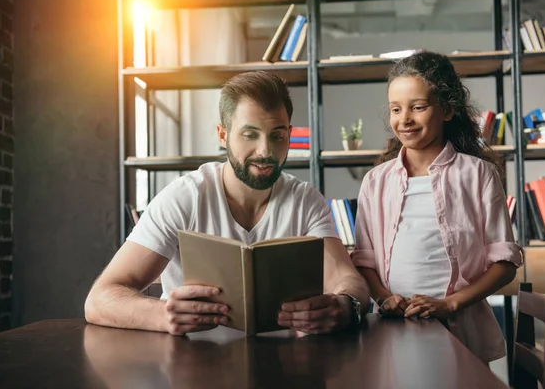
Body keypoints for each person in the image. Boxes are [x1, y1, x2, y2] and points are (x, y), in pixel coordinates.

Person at [85, 71, 369, 336]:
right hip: (189, 365)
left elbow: (349, 280)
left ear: (289, 135)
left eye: (277, 136)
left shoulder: (305, 200)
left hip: (285, 364)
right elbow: (99, 299)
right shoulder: (184, 197)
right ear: (223, 135)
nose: (265, 151)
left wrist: (344, 306)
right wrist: (162, 315)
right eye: (249, 134)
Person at [351, 50, 522, 363]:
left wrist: (450, 304)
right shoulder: (375, 182)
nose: (405, 119)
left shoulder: (478, 174)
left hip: (462, 331)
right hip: (392, 330)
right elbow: (364, 260)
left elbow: (505, 263)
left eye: (418, 107)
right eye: (395, 109)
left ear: (446, 110)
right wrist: (384, 297)